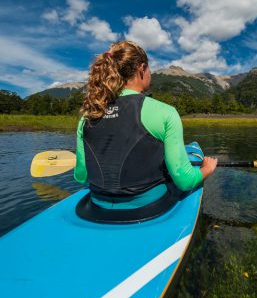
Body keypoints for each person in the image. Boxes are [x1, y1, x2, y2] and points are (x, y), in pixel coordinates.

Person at [74, 41, 217, 210]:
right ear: (142, 69)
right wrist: (207, 169)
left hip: (97, 206)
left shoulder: (88, 116)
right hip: (148, 207)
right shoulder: (166, 112)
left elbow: (81, 177)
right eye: (149, 69)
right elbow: (184, 181)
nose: (150, 74)